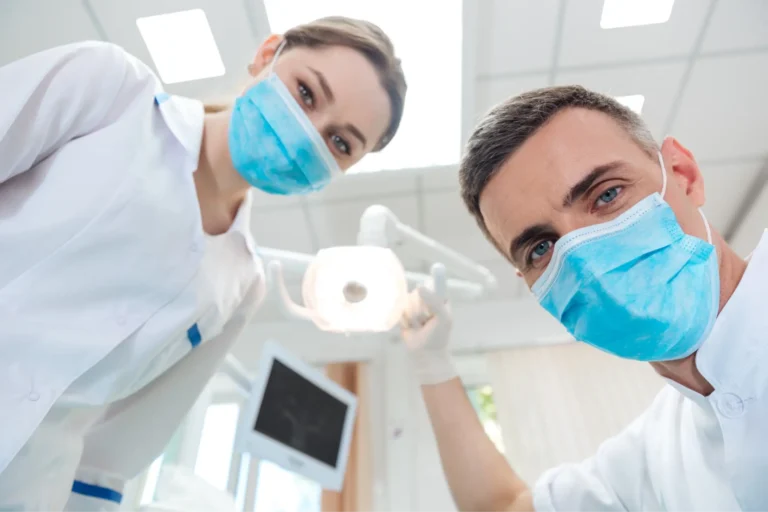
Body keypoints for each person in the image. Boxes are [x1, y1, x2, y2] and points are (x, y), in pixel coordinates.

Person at [0, 16, 406, 510]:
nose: (310, 133)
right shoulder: (111, 92)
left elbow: (121, 444)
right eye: (305, 93)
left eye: (341, 143)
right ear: (267, 54)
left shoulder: (241, 283)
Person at [401, 85, 766, 511]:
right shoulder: (654, 458)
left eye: (607, 195)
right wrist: (432, 363)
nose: (585, 259)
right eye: (541, 247)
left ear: (683, 175)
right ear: (532, 285)